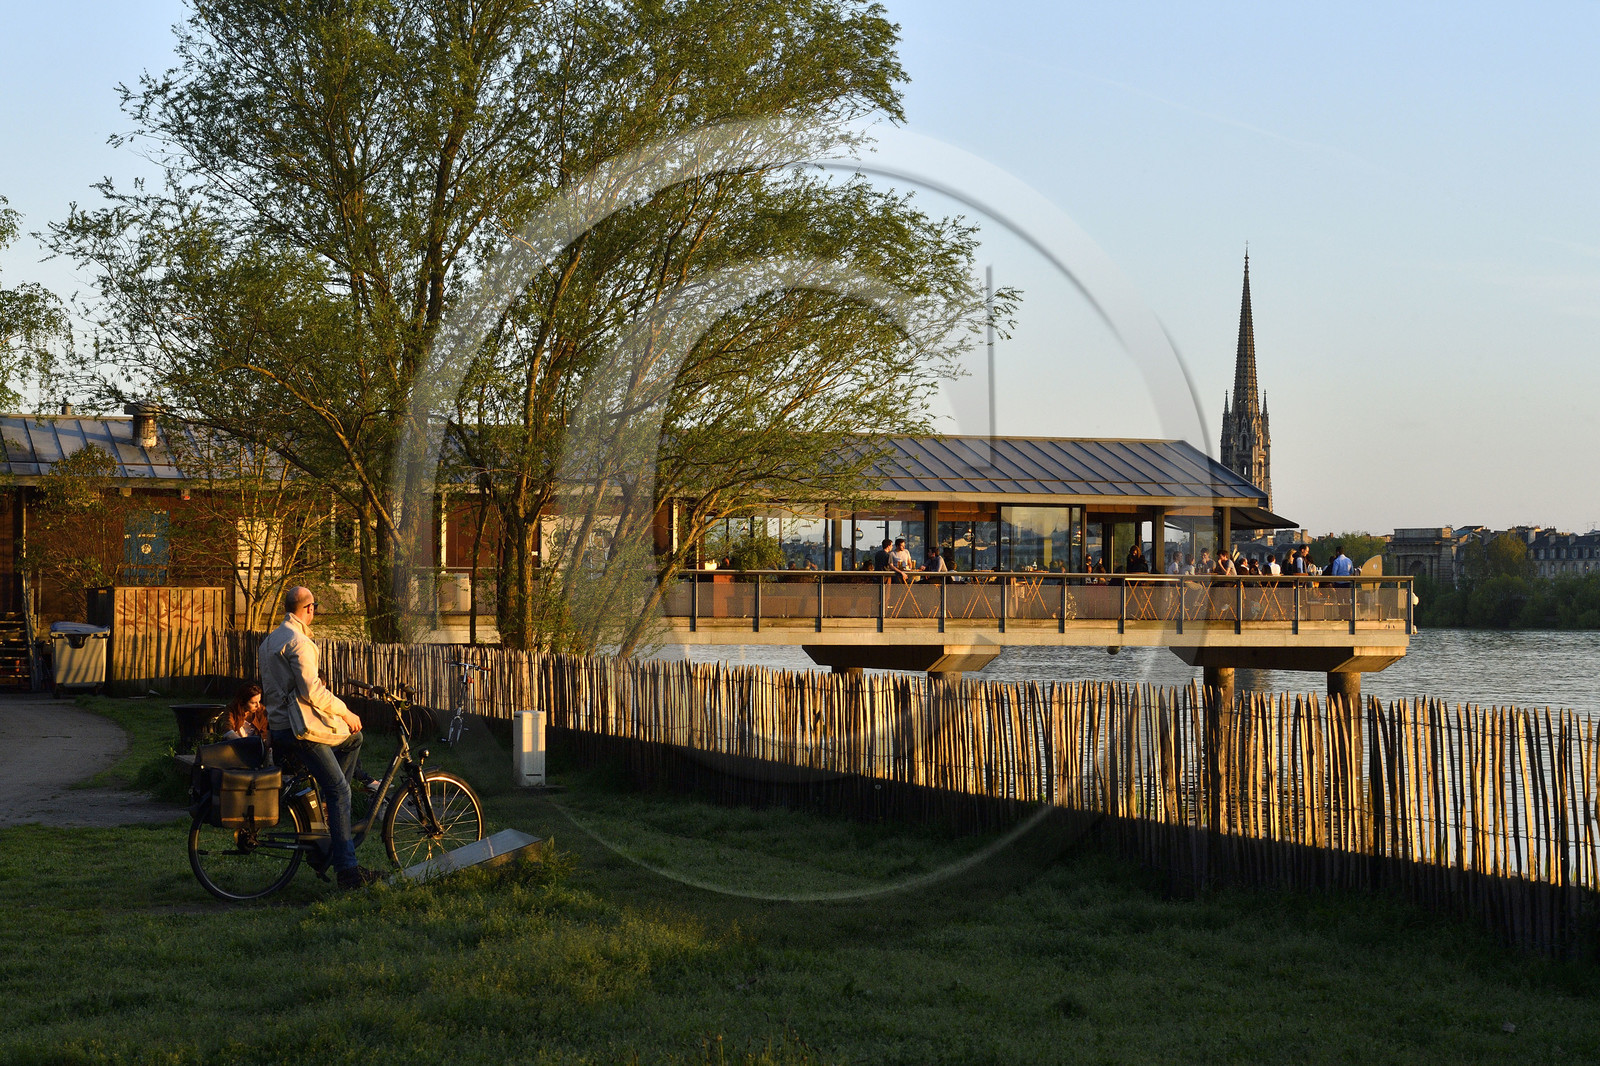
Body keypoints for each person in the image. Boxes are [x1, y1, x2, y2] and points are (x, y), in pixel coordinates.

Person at [260, 586, 380, 890]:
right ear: (309, 609)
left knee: (353, 741)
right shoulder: (299, 642)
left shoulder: (270, 639)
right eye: (315, 606)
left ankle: (329, 808)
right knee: (340, 789)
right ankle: (348, 872)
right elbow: (312, 692)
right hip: (299, 730)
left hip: (279, 727)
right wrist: (346, 712)